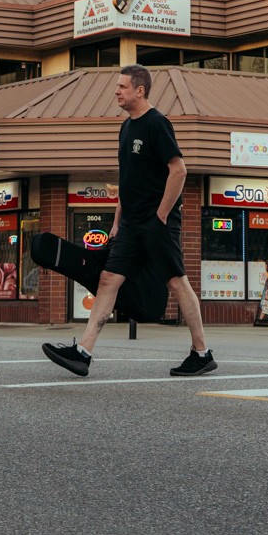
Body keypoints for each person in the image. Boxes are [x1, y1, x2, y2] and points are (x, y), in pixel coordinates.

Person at [43, 65, 215, 377]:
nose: (117, 91)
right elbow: (128, 180)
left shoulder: (156, 124)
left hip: (156, 223)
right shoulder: (126, 128)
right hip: (131, 224)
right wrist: (117, 219)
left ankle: (201, 352)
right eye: (117, 86)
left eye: (123, 87)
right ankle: (83, 352)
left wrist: (162, 215)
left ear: (140, 90)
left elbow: (179, 170)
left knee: (176, 282)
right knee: (108, 279)